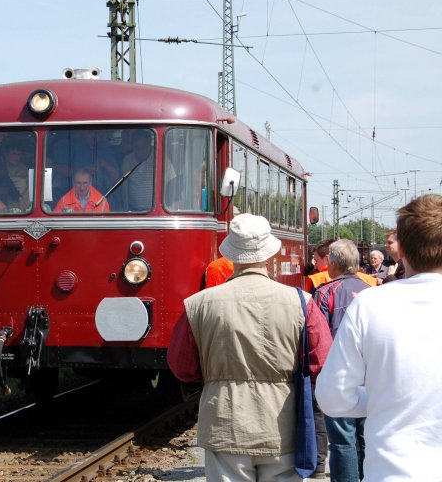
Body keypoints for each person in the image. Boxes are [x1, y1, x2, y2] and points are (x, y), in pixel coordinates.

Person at [168, 214, 332, 481]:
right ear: (269, 253)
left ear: (231, 254)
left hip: (224, 424)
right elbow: (322, 363)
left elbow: (182, 367)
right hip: (282, 427)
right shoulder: (301, 302)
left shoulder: (198, 304)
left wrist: (215, 373)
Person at [316, 194, 442, 480]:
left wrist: (380, 395)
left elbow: (332, 396)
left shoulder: (370, 304)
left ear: (401, 249)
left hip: (390, 471)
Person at [312, 239, 372, 481]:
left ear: (334, 264)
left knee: (342, 441)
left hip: (338, 376)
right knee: (366, 437)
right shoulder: (372, 291)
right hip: (369, 375)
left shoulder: (325, 292)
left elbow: (318, 337)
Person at [120, 129, 154, 211]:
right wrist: (126, 210)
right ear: (132, 146)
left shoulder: (159, 157)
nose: (141, 150)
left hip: (154, 211)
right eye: (137, 147)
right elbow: (124, 187)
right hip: (133, 211)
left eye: (144, 147)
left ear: (150, 145)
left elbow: (170, 182)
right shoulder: (128, 160)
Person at [2, 138, 30, 211]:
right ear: (6, 154)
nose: (16, 156)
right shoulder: (0, 169)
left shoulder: (24, 168)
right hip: (8, 205)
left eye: (19, 154)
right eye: (13, 153)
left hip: (26, 206)